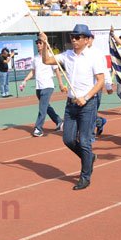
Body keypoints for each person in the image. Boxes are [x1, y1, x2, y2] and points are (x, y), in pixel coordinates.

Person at [39, 24, 105, 190]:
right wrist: (45, 44)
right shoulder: (67, 55)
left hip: (87, 104)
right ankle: (89, 157)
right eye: (72, 37)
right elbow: (47, 60)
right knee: (68, 139)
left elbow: (101, 81)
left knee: (84, 141)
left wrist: (86, 97)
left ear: (86, 39)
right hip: (71, 104)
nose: (74, 40)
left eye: (78, 37)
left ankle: (85, 176)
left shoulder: (94, 57)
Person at [21, 39, 66, 137]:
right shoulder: (35, 58)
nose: (38, 44)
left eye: (40, 43)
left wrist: (61, 84)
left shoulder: (50, 56)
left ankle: (38, 128)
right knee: (46, 107)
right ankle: (59, 121)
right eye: (37, 43)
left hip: (48, 86)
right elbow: (33, 71)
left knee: (42, 108)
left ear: (45, 44)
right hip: (38, 87)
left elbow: (57, 71)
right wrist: (25, 80)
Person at [87, 32, 114, 136]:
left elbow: (105, 70)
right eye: (86, 38)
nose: (87, 40)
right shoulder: (79, 53)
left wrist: (108, 85)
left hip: (96, 86)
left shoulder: (97, 53)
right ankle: (99, 122)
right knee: (87, 111)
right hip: (84, 87)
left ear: (92, 39)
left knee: (91, 110)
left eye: (89, 38)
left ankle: (90, 133)